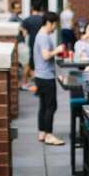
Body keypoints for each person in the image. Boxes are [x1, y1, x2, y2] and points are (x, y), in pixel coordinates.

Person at [33, 11, 66, 145]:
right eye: (54, 25)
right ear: (49, 23)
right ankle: (49, 135)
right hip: (46, 77)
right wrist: (57, 50)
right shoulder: (44, 37)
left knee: (43, 106)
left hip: (40, 76)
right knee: (51, 106)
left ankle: (42, 133)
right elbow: (46, 56)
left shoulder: (40, 35)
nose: (54, 28)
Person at [20, 3, 43, 89]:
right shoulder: (42, 19)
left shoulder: (27, 20)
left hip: (31, 44)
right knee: (40, 63)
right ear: (40, 9)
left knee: (29, 64)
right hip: (41, 44)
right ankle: (37, 83)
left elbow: (24, 34)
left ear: (32, 9)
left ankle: (26, 83)